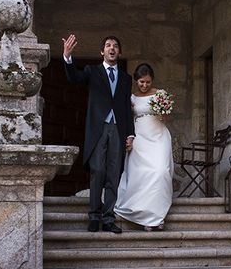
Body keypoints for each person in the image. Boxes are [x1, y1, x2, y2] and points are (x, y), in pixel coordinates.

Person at [62, 34, 134, 233]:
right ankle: (94, 216)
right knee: (98, 172)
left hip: (118, 129)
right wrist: (68, 58)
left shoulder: (126, 79)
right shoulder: (92, 71)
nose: (112, 48)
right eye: (108, 46)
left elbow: (127, 107)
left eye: (116, 46)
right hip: (98, 129)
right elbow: (74, 78)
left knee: (114, 174)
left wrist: (130, 134)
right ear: (102, 51)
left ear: (119, 52)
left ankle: (109, 218)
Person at [114, 63, 173, 231]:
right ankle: (146, 216)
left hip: (159, 136)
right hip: (140, 137)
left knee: (160, 171)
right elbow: (126, 118)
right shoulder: (132, 98)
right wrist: (129, 138)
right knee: (141, 174)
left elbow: (167, 118)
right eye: (141, 82)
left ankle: (157, 215)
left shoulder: (161, 94)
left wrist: (164, 112)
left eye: (147, 82)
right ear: (136, 81)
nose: (144, 85)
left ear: (152, 80)